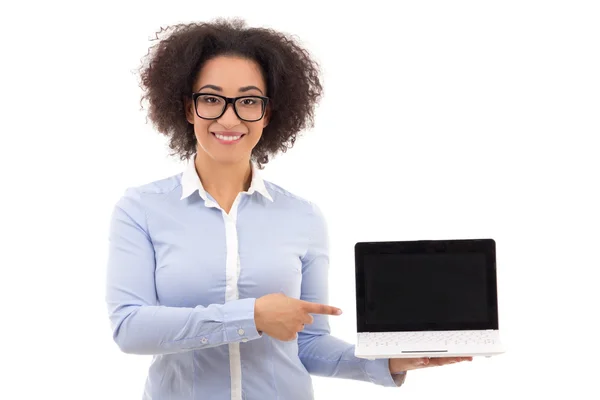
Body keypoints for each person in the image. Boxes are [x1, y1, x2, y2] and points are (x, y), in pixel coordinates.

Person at [105, 18, 472, 400]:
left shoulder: (303, 217)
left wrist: (389, 363)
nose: (229, 118)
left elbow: (309, 345)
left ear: (267, 113)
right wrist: (253, 317)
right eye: (211, 99)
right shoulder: (141, 209)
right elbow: (130, 328)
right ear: (187, 108)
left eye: (248, 101)